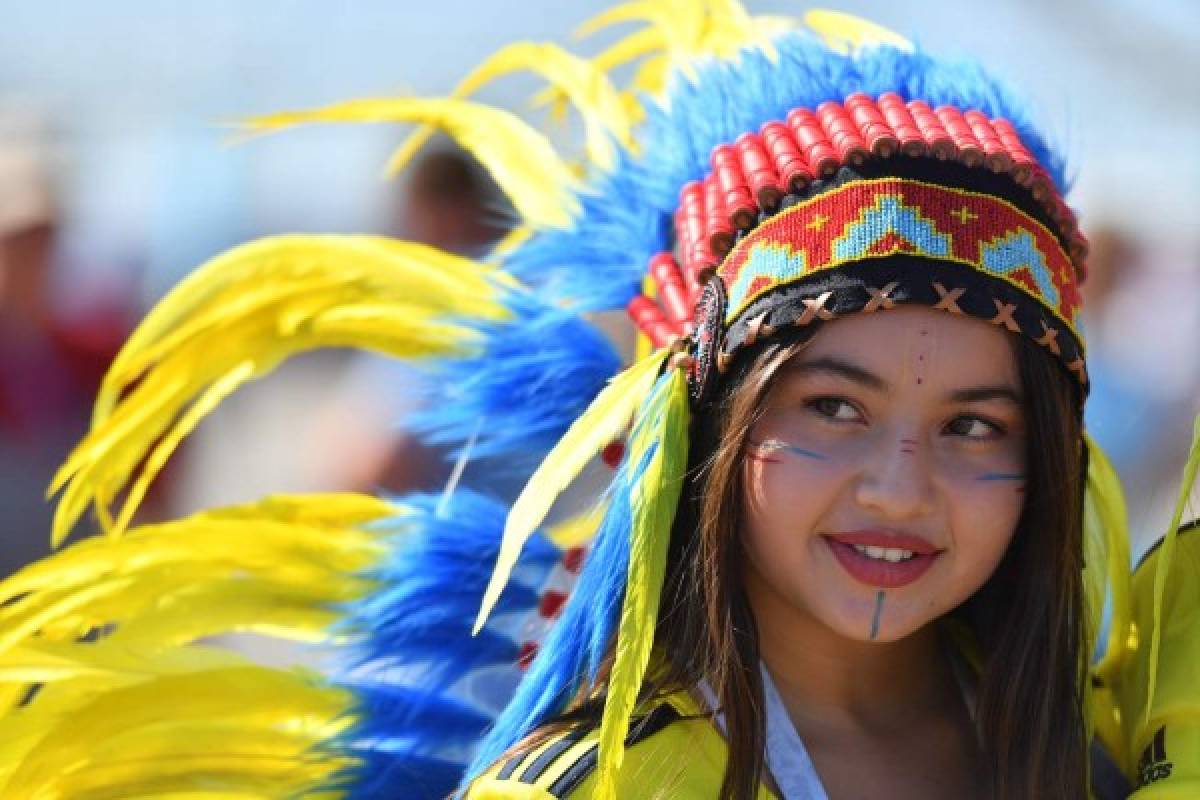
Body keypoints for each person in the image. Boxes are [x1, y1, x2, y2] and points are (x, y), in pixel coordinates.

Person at [0, 5, 1196, 800]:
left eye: (974, 426)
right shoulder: (586, 782)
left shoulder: (1115, 747)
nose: (900, 485)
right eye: (833, 406)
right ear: (705, 426)